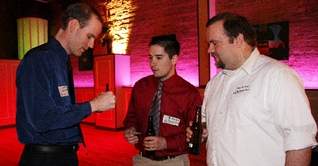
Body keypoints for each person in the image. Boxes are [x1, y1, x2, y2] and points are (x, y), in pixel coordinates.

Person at [186, 12, 317, 166]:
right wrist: (202, 132)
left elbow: (299, 141)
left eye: (214, 43)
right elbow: (211, 127)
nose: (209, 50)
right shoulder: (214, 84)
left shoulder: (277, 76)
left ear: (238, 40)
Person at [16, 3, 116, 166]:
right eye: (89, 36)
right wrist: (93, 105)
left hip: (63, 155)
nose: (91, 45)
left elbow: (60, 112)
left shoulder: (61, 61)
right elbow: (42, 119)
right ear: (73, 25)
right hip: (45, 159)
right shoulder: (38, 60)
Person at [124, 34, 202, 166]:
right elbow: (131, 117)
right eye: (150, 57)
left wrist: (166, 143)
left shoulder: (189, 93)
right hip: (142, 160)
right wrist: (130, 130)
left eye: (159, 58)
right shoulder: (140, 86)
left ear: (174, 59)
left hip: (174, 161)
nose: (152, 63)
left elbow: (195, 135)